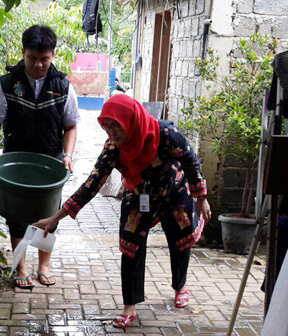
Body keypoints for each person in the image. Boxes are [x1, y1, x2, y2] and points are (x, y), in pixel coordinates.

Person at [33, 94, 211, 328]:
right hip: (138, 194)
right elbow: (91, 185)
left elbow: (190, 160)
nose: (112, 132)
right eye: (107, 127)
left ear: (130, 121)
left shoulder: (165, 135)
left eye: (116, 126)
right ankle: (130, 306)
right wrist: (55, 218)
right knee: (130, 247)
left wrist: (201, 198)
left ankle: (180, 286)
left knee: (180, 240)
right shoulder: (113, 148)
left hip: (173, 190)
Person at [0, 25, 80, 290]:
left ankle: (44, 265)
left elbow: (70, 126)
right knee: (17, 214)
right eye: (32, 58)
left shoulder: (62, 87)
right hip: (16, 161)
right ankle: (21, 266)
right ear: (23, 53)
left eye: (44, 59)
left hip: (51, 161)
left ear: (52, 55)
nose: (38, 64)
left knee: (49, 213)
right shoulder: (7, 84)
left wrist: (68, 155)